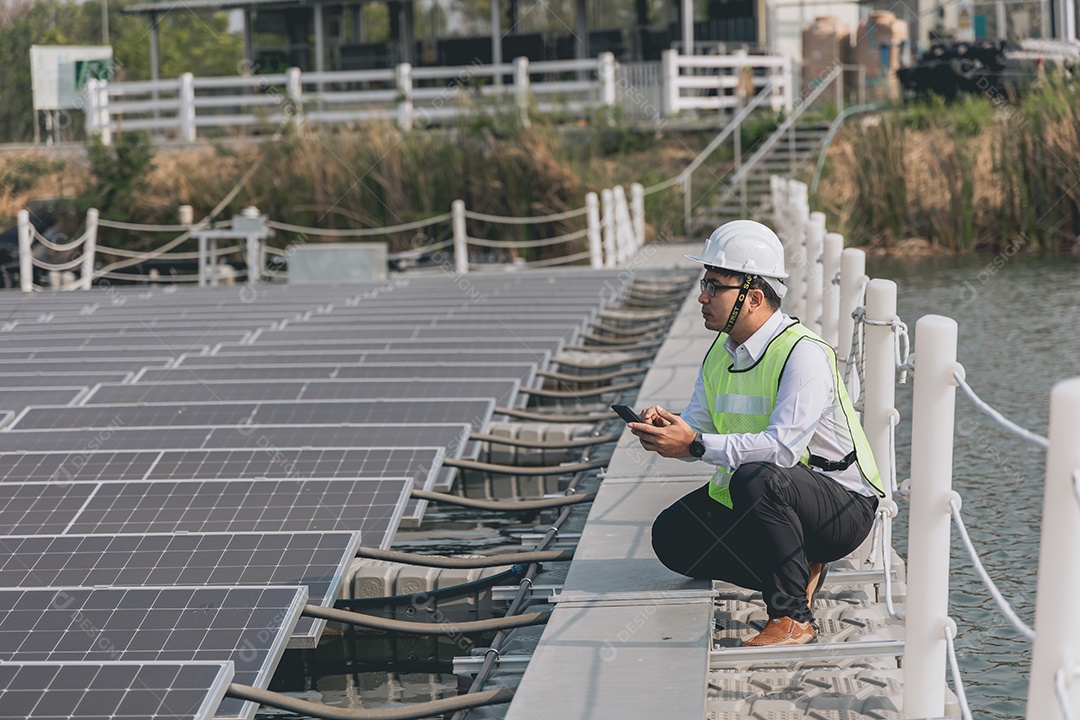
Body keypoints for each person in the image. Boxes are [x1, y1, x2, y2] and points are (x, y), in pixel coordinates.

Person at [629, 220, 884, 647]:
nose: (702, 296)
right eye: (703, 284)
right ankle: (797, 567)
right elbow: (700, 430)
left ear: (752, 297)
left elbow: (782, 450)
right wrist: (671, 431)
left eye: (713, 286)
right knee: (671, 537)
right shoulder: (720, 353)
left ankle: (792, 617)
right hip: (773, 494)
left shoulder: (803, 354)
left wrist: (693, 444)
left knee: (757, 473)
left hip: (841, 506)